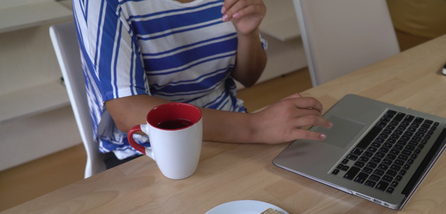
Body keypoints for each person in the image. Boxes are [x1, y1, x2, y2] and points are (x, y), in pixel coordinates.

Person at [72, 0, 332, 168]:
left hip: (231, 129)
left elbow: (248, 77)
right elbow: (128, 112)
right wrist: (256, 127)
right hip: (149, 150)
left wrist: (247, 33)